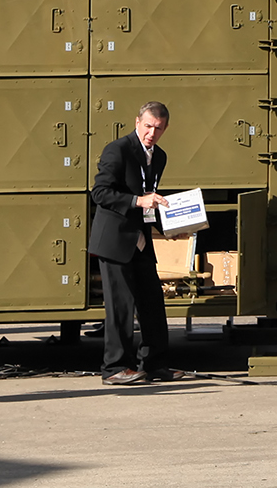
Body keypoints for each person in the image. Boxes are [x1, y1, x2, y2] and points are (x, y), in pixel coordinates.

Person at [88, 101, 193, 384]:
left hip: (141, 239)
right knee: (121, 306)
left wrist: (171, 224)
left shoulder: (159, 156)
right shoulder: (118, 150)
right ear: (137, 123)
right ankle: (114, 368)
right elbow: (100, 193)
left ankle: (155, 364)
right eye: (147, 126)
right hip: (115, 240)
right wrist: (137, 201)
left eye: (158, 129)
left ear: (165, 129)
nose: (151, 133)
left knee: (153, 303)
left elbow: (151, 197)